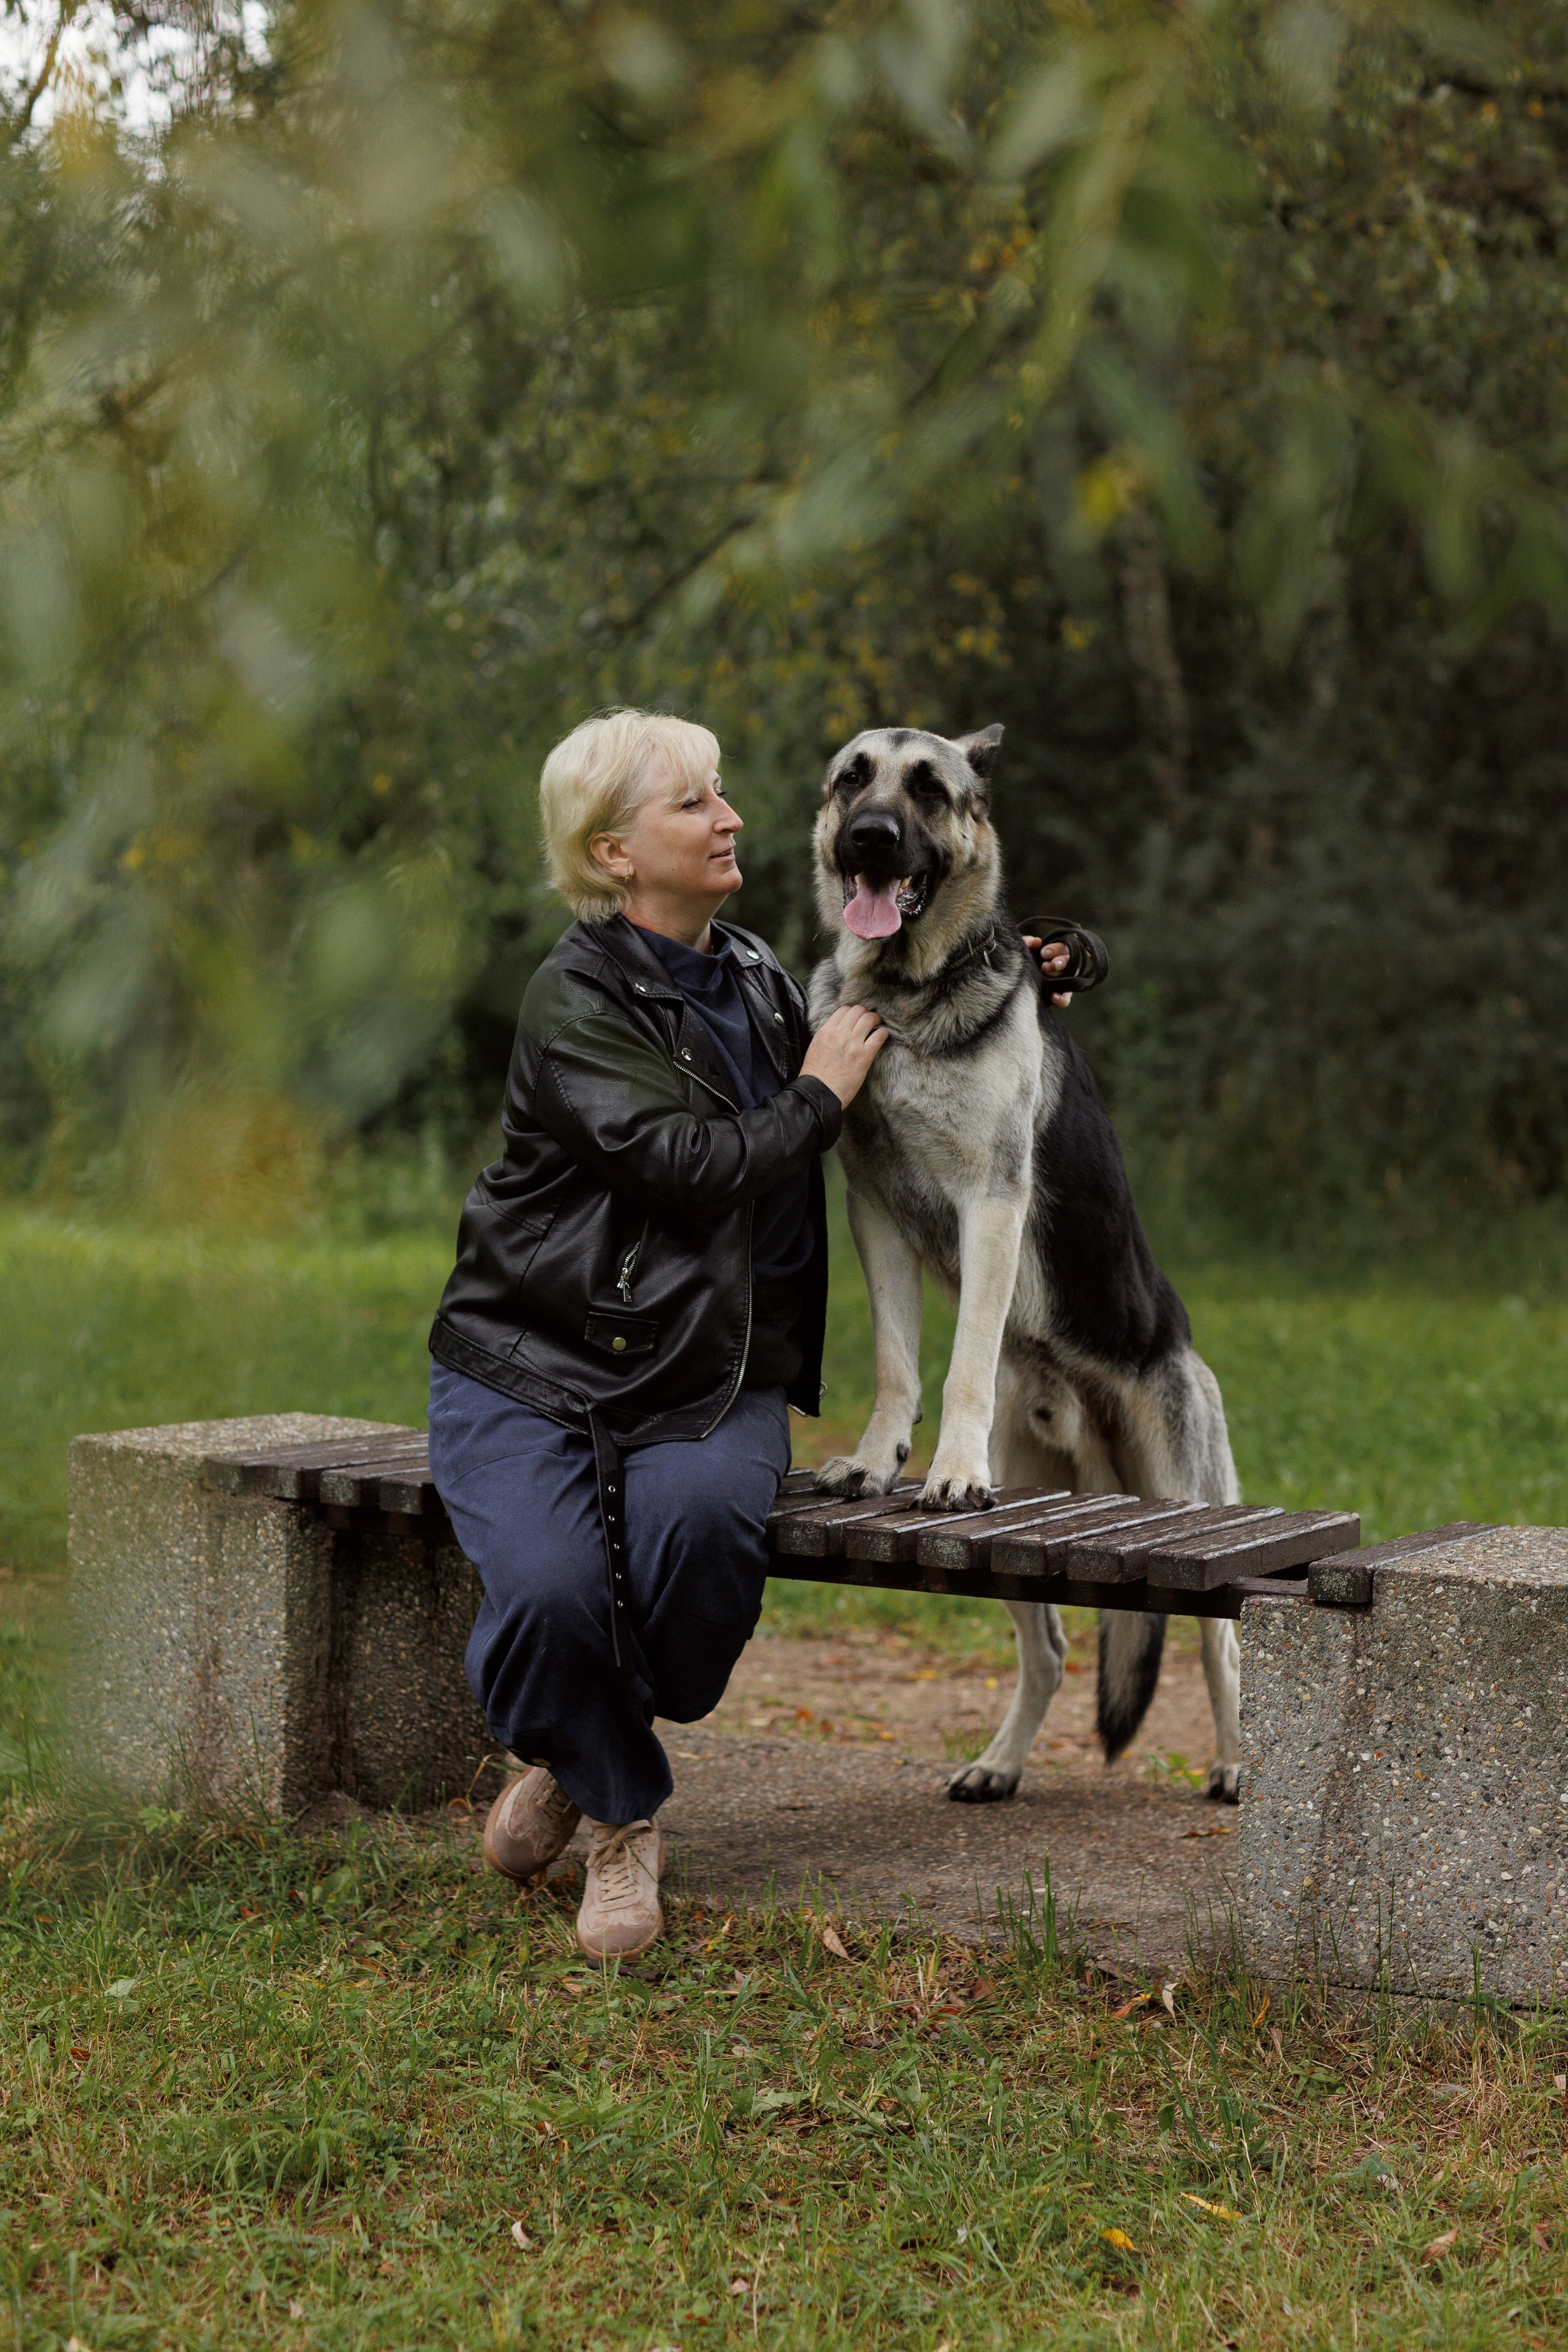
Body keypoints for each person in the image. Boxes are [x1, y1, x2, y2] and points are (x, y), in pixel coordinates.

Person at [426, 709, 1077, 1959]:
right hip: (534, 1365)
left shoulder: (766, 980)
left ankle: (570, 1754)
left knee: (705, 1550)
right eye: (694, 803)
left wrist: (1025, 969)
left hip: (705, 1370)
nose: (732, 818)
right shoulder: (572, 997)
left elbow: (913, 1028)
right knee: (554, 1589)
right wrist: (817, 1093)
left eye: (724, 792)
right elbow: (685, 1165)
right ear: (615, 855)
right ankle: (622, 1817)